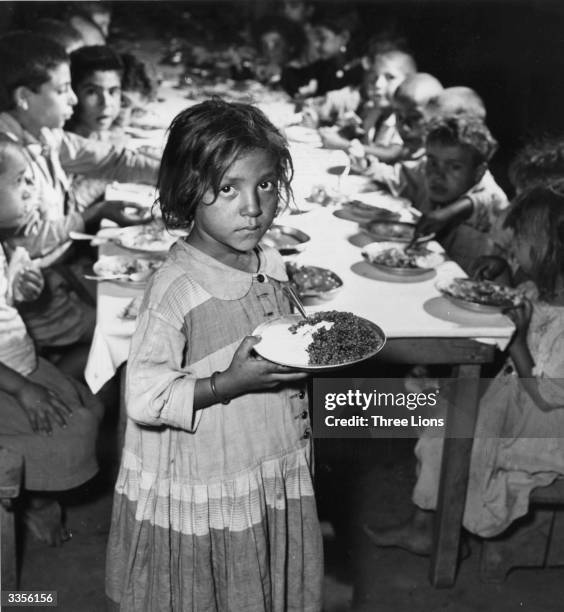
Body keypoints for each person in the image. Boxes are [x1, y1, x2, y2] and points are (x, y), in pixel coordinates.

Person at [105, 99, 323, 611]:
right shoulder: (176, 290)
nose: (253, 206)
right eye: (229, 188)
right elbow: (144, 396)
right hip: (210, 468)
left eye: (265, 184)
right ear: (188, 190)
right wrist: (229, 382)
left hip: (266, 450)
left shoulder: (267, 257)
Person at [364, 183, 564, 551]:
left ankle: (430, 532)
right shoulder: (541, 291)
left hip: (544, 432)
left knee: (445, 430)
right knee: (437, 406)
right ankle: (436, 519)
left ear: (554, 252)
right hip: (519, 406)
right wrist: (504, 275)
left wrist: (516, 343)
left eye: (521, 240)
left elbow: (547, 396)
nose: (512, 245)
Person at [0, 32, 158, 360]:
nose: (72, 100)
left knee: (147, 303)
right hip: (37, 297)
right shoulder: (8, 159)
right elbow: (27, 243)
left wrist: (184, 168)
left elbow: (114, 160)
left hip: (61, 271)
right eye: (62, 90)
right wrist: (91, 214)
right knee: (138, 336)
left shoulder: (45, 135)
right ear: (24, 97)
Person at [0, 175, 102, 546]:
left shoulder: (4, 242)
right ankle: (34, 501)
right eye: (17, 182)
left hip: (17, 364)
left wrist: (15, 290)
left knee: (86, 406)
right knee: (72, 430)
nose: (30, 190)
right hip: (9, 377)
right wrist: (24, 390)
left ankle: (35, 494)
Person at [319, 47, 417, 161]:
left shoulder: (405, 119)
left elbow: (392, 153)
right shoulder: (372, 110)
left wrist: (342, 144)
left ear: (409, 83)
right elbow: (362, 138)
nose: (378, 84)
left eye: (390, 77)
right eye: (374, 77)